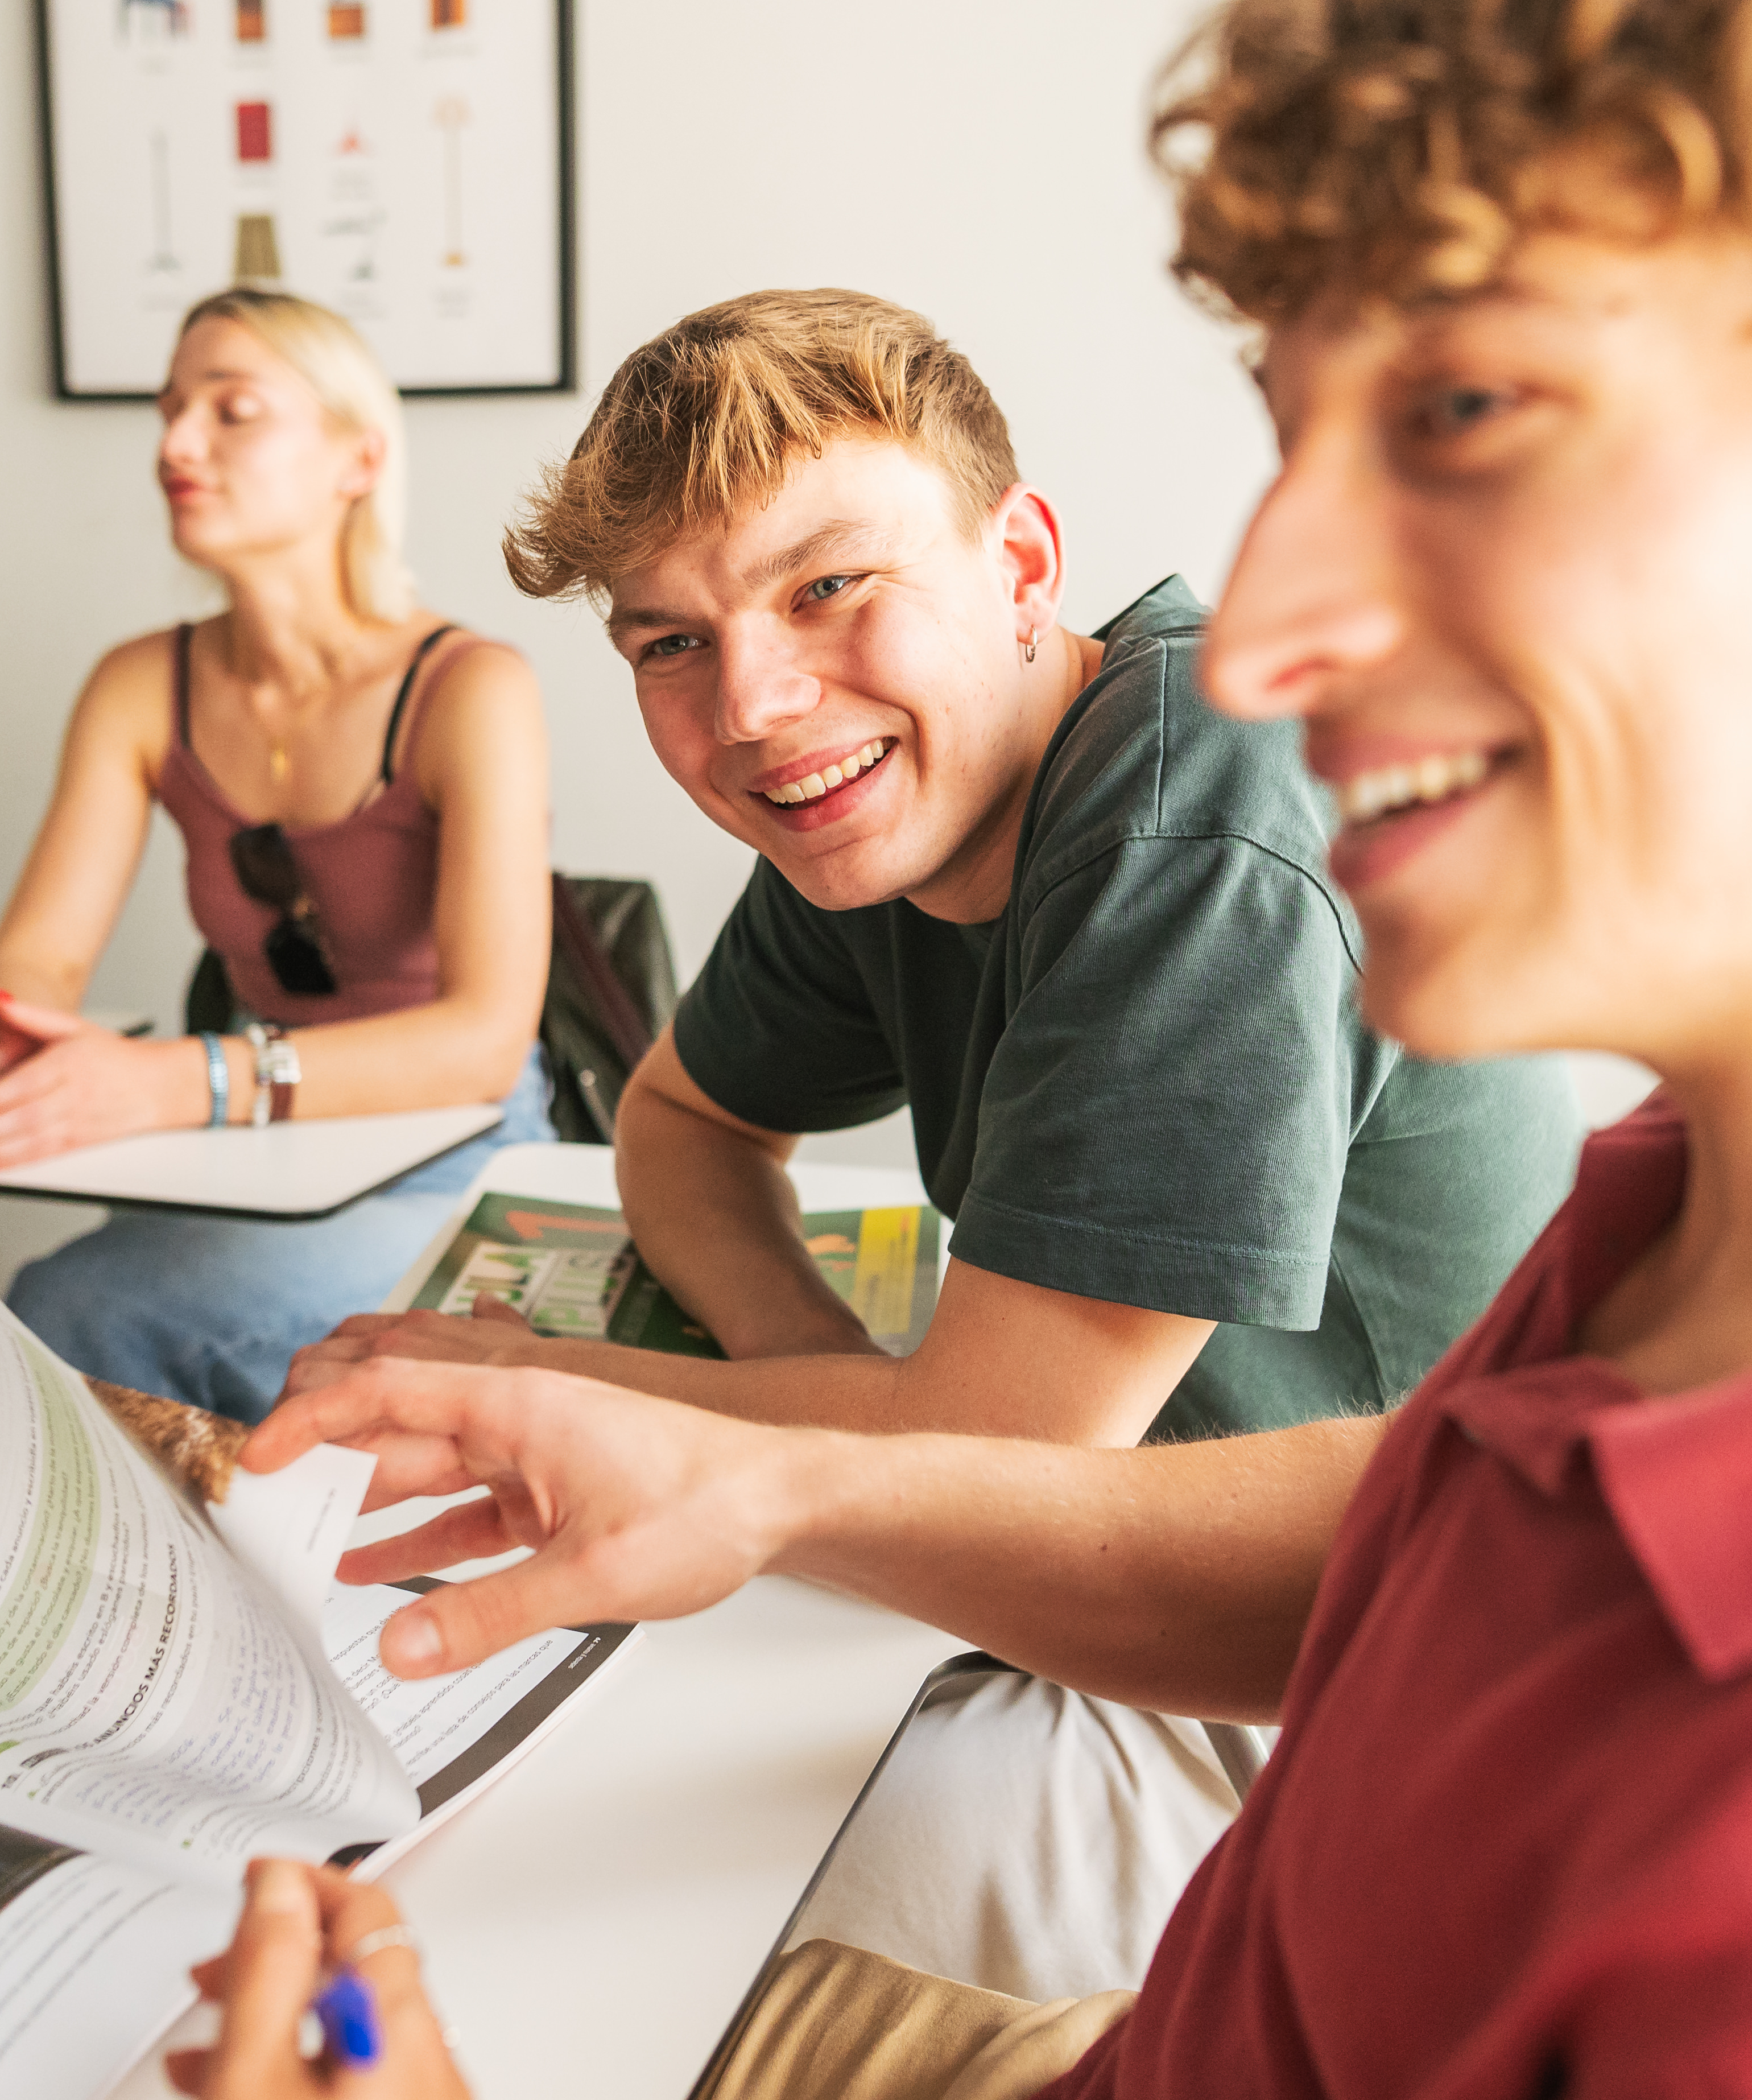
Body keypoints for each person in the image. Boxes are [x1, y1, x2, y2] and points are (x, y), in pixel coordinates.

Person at [183, 0, 1752, 2094]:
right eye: (1293, 435)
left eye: (1463, 413)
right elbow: (1459, 1539)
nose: (1258, 619)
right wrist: (759, 1462)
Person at [301, 287, 1580, 1993]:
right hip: (1072, 1570)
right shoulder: (876, 804)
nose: (753, 703)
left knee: (601, 1899)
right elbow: (683, 1123)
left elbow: (995, 1446)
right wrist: (819, 1366)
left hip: (1365, 1686)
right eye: (667, 642)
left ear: (1024, 562)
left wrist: (536, 1383)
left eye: (828, 586)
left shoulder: (1196, 806)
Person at [0, 289, 555, 1420]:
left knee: (66, 1307)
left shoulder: (473, 688)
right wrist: (10, 1035)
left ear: (356, 458)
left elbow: (480, 1044)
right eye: (170, 410)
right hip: (249, 1149)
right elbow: (38, 955)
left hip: (456, 1157)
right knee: (30, 1324)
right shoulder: (140, 683)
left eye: (233, 410)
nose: (176, 444)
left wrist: (178, 1079)